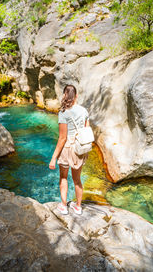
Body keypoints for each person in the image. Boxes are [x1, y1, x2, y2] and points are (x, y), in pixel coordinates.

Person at [49, 84, 90, 215]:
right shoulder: (84, 111)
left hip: (67, 149)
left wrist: (53, 157)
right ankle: (78, 207)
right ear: (76, 96)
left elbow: (62, 138)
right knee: (77, 179)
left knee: (63, 177)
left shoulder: (63, 113)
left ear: (65, 96)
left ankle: (63, 206)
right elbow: (86, 131)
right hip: (79, 148)